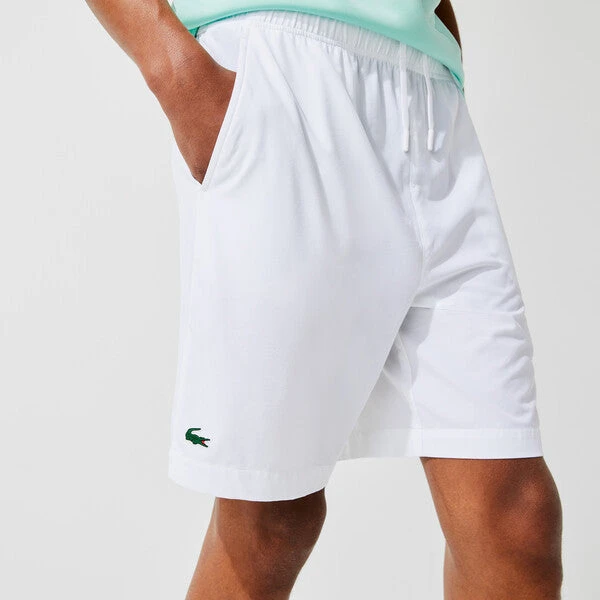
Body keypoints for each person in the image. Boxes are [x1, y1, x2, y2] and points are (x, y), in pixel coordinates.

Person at [84, 1, 563, 598]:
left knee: (516, 516)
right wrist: (176, 72)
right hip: (283, 69)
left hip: (429, 100)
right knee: (270, 522)